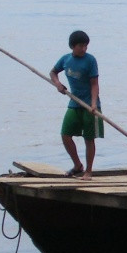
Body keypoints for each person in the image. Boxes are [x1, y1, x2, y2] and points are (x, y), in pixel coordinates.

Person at [49, 29, 100, 178]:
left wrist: (93, 104)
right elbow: (53, 72)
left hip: (89, 104)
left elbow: (94, 84)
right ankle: (77, 165)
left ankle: (88, 171)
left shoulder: (90, 60)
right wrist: (58, 84)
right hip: (74, 102)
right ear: (72, 46)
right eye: (80, 46)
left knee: (88, 138)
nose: (84, 49)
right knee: (66, 134)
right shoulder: (66, 60)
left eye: (86, 46)